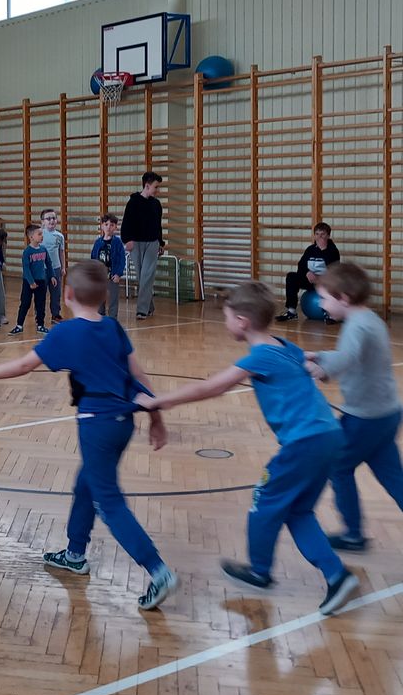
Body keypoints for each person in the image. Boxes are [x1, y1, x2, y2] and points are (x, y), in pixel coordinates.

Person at [0, 260, 176, 612]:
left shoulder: (65, 332)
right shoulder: (113, 327)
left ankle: (158, 571)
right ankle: (75, 553)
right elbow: (139, 375)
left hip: (97, 424)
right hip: (123, 422)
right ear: (103, 295)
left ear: (67, 294)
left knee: (108, 501)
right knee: (86, 483)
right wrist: (156, 417)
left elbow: (23, 366)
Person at [137, 280, 359, 615]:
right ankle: (337, 576)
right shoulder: (284, 346)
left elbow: (213, 387)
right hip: (329, 436)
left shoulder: (261, 356)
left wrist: (159, 401)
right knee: (298, 511)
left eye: (226, 317)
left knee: (264, 500)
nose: (225, 322)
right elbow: (307, 362)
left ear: (241, 321)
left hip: (304, 443)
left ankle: (259, 571)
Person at [304, 262, 403, 551]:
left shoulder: (357, 326)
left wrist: (322, 369)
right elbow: (353, 355)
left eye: (324, 298)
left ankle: (353, 535)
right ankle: (353, 533)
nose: (321, 304)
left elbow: (347, 357)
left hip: (365, 419)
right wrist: (321, 356)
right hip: (386, 414)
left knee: (338, 466)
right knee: (392, 476)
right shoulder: (369, 320)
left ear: (344, 298)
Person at [120, 171, 164, 320]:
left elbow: (158, 226)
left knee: (147, 276)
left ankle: (141, 310)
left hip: (152, 243)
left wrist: (160, 243)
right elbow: (126, 223)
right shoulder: (133, 203)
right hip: (136, 244)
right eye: (156, 187)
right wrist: (127, 240)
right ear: (147, 186)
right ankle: (149, 306)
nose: (158, 190)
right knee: (141, 277)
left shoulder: (156, 204)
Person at [276, 222, 340, 322]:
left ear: (328, 236)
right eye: (317, 234)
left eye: (322, 234)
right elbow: (301, 266)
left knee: (333, 283)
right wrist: (307, 273)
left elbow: (334, 271)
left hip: (325, 283)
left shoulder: (333, 251)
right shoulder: (310, 250)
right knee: (291, 277)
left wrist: (319, 279)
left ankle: (330, 314)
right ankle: (291, 311)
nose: (319, 237)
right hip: (310, 281)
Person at [10, 224, 55, 336]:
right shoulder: (27, 252)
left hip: (41, 281)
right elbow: (26, 268)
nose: (42, 236)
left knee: (40, 304)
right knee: (25, 303)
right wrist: (31, 282)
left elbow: (49, 263)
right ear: (31, 237)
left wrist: (52, 276)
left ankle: (40, 325)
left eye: (42, 234)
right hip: (28, 282)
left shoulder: (43, 249)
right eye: (39, 234)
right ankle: (19, 325)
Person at [91, 213, 126, 320]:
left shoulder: (117, 242)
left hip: (113, 276)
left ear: (115, 227)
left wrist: (118, 274)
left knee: (113, 297)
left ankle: (112, 318)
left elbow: (121, 259)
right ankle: (100, 316)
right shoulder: (98, 242)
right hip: (100, 276)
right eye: (106, 224)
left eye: (112, 225)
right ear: (102, 226)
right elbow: (93, 258)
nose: (108, 227)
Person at [40, 209, 65, 324]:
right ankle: (39, 316)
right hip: (42, 269)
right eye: (48, 218)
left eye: (54, 218)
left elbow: (61, 252)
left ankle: (55, 315)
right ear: (43, 221)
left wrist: (63, 267)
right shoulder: (39, 234)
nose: (51, 221)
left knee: (56, 293)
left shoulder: (59, 236)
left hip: (55, 268)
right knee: (41, 293)